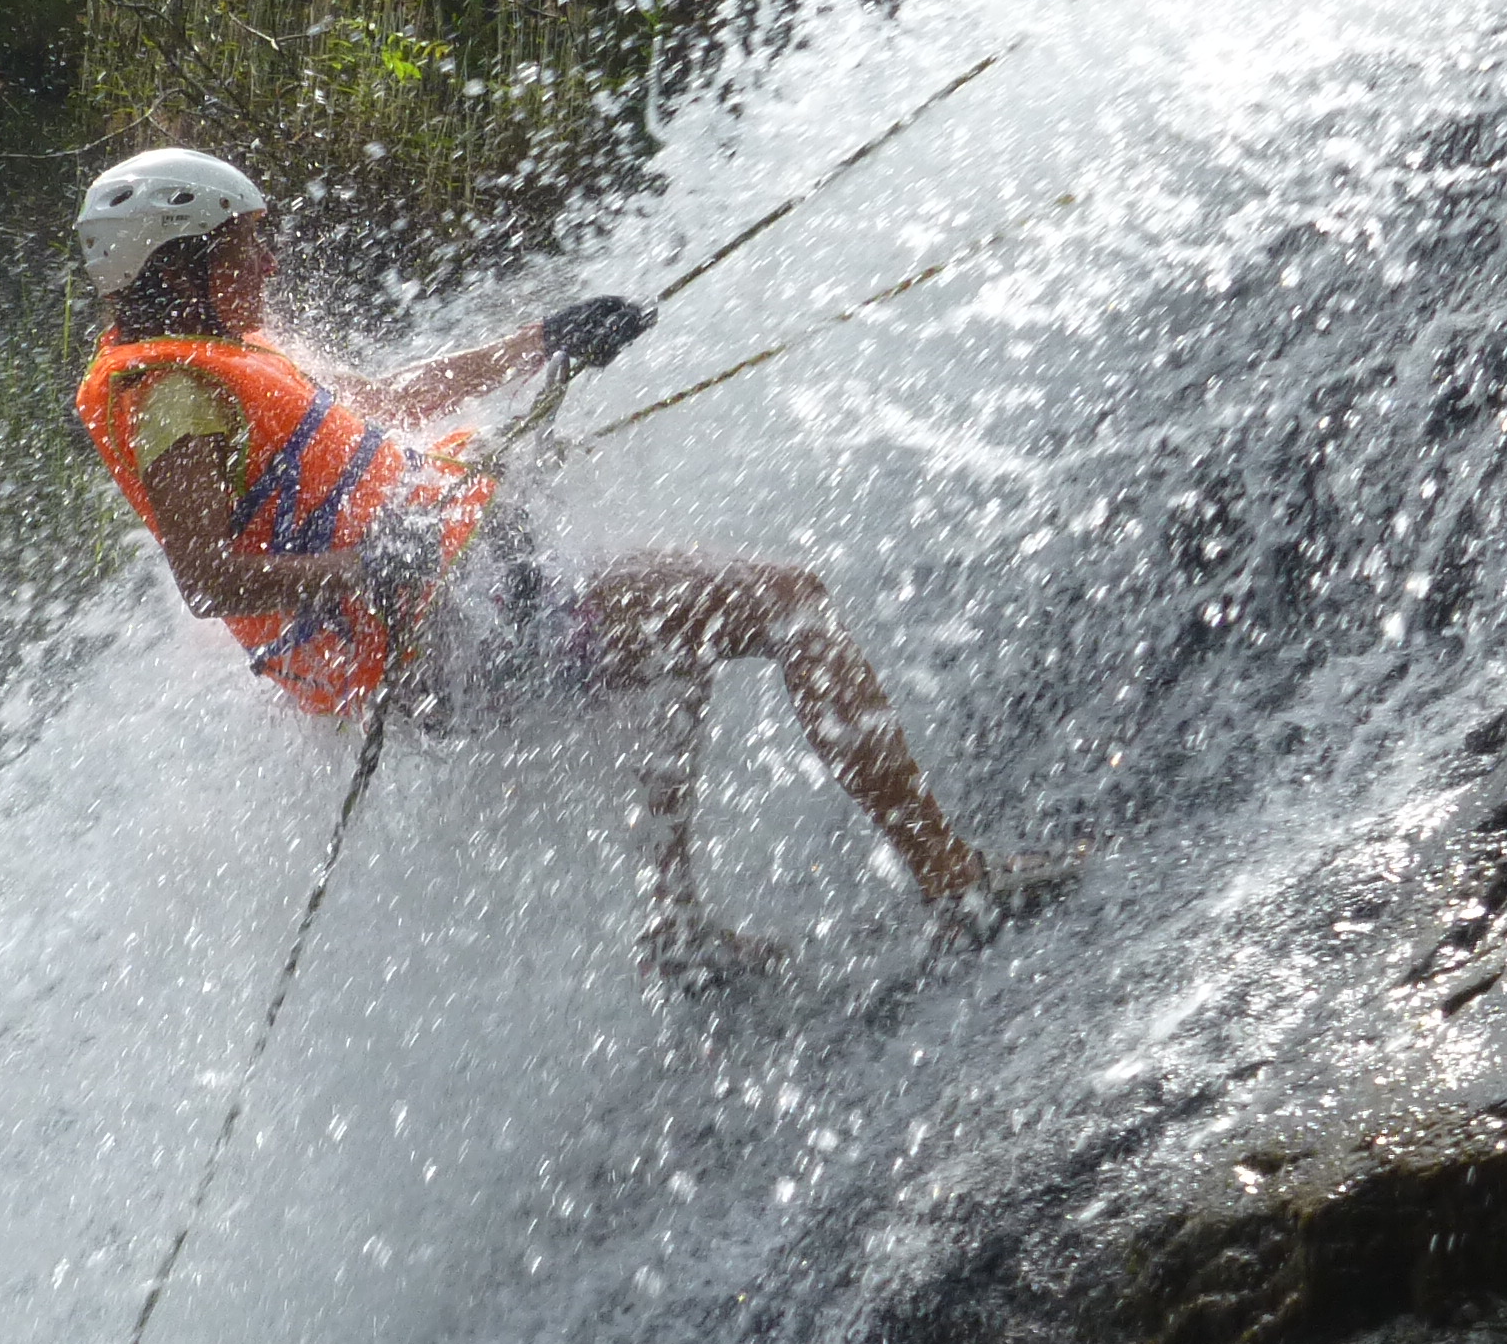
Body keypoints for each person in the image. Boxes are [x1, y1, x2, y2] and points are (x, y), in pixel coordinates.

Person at [70, 146, 1008, 978]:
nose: (269, 260)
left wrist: (547, 341)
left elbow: (391, 397)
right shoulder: (173, 397)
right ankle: (956, 884)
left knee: (681, 652)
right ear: (182, 258)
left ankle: (677, 926)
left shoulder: (225, 347)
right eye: (248, 243)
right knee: (789, 605)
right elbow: (208, 577)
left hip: (472, 603)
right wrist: (360, 566)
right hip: (451, 645)